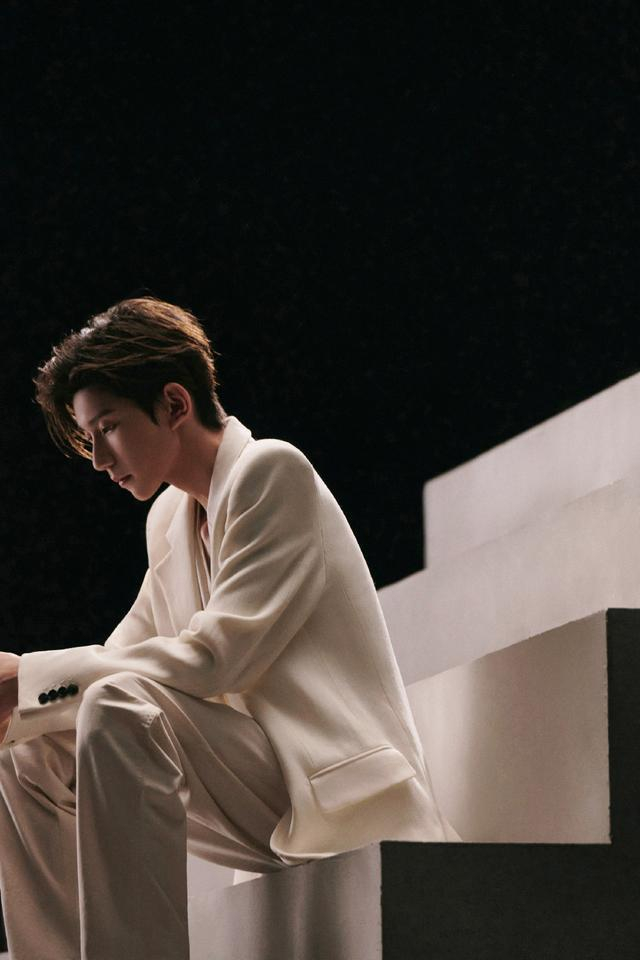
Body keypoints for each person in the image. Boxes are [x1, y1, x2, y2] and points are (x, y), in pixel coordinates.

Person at [0, 296, 460, 960]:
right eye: (88, 436)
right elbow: (125, 651)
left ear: (174, 404)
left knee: (116, 702)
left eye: (108, 427)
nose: (97, 457)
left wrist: (30, 675)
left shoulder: (271, 472)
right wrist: (24, 696)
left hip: (332, 790)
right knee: (26, 747)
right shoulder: (168, 519)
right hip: (253, 790)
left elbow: (216, 658)